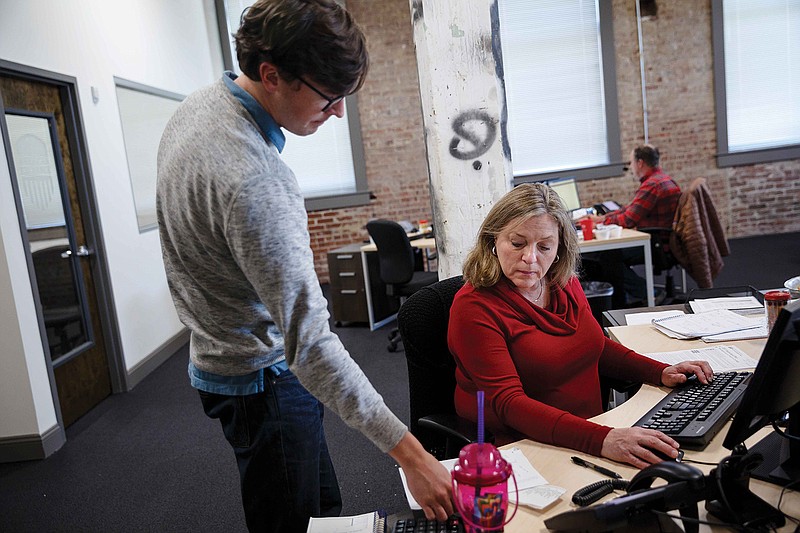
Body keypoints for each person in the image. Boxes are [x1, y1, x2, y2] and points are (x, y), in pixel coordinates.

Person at [156, 1, 452, 531]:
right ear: (271, 75)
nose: (338, 112)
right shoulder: (255, 179)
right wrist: (412, 455)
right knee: (297, 520)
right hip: (262, 377)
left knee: (320, 509)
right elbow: (311, 345)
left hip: (221, 360)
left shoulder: (198, 108)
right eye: (329, 97)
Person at [448, 183, 712, 469]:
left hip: (590, 431)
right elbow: (510, 404)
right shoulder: (474, 307)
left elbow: (594, 346)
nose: (531, 258)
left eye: (545, 246)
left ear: (560, 247)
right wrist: (603, 440)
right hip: (524, 446)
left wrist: (660, 371)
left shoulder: (562, 282)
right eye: (517, 243)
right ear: (493, 240)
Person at [583, 145, 681, 306]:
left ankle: (647, 293)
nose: (631, 168)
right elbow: (628, 210)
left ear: (640, 163)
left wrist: (599, 223)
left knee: (607, 255)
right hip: (659, 239)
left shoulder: (652, 185)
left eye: (631, 163)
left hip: (656, 244)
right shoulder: (660, 179)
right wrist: (601, 220)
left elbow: (628, 220)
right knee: (608, 255)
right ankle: (626, 297)